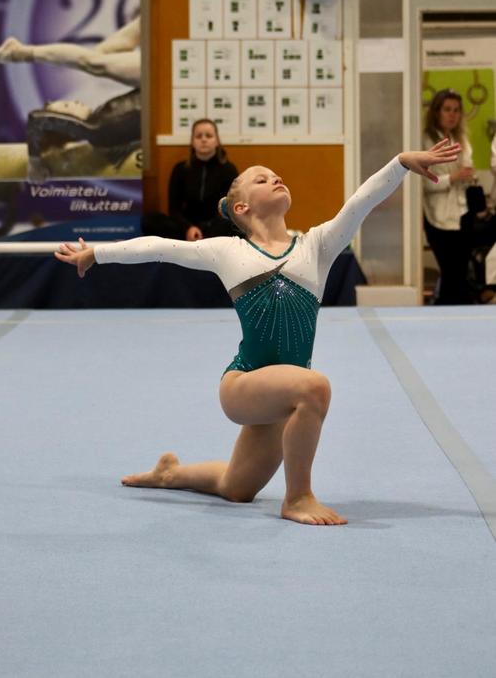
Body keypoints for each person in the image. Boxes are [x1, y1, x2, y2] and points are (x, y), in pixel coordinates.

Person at [55, 139, 460, 526]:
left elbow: (360, 204)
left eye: (276, 175)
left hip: (282, 396)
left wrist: (400, 164)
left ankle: (171, 473)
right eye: (262, 179)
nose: (275, 178)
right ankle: (298, 497)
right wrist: (97, 253)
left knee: (236, 487)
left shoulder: (316, 246)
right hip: (243, 384)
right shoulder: (229, 251)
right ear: (242, 207)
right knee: (315, 388)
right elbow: (161, 247)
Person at [0, 18, 141, 181]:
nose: (74, 102)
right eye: (66, 106)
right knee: (94, 63)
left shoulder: (99, 125)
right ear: (65, 125)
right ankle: (19, 53)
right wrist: (34, 163)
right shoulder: (96, 130)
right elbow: (37, 120)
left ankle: (147, 19)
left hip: (153, 87)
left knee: (101, 53)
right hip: (157, 87)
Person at [141, 119, 238, 241]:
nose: (203, 139)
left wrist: (206, 228)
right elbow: (174, 210)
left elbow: (228, 208)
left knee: (232, 224)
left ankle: (201, 243)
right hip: (185, 228)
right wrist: (189, 228)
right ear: (192, 141)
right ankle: (196, 243)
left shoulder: (229, 170)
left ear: (217, 141)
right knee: (149, 220)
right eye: (198, 136)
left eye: (208, 136)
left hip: (215, 228)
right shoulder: (180, 169)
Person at [423, 88, 475, 304]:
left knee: (460, 273)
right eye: (447, 109)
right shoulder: (426, 141)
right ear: (436, 112)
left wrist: (466, 176)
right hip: (438, 217)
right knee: (450, 272)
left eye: (456, 110)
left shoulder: (460, 139)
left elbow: (467, 172)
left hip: (461, 212)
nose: (452, 115)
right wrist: (453, 177)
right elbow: (425, 184)